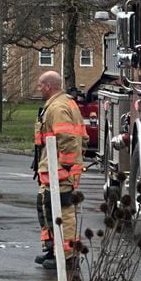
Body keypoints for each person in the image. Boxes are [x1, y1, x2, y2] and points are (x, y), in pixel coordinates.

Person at [32, 71, 87, 270]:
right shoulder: (64, 104)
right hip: (53, 169)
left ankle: (66, 256)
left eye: (40, 85)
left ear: (48, 86)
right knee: (46, 206)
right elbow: (83, 137)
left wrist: (64, 167)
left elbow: (67, 139)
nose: (38, 89)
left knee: (63, 212)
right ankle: (53, 249)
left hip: (60, 171)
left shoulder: (58, 108)